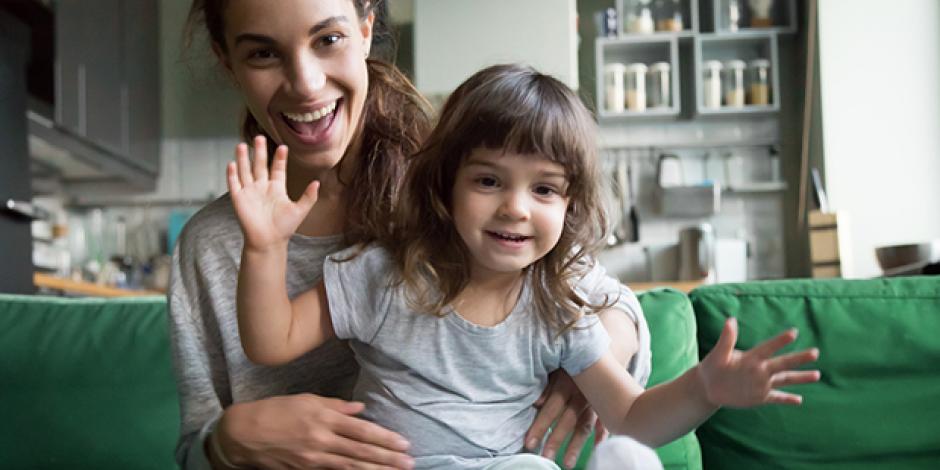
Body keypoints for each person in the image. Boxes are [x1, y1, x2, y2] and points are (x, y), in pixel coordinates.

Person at [227, 64, 821, 469]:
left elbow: (633, 417)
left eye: (544, 190)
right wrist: (264, 246)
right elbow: (270, 340)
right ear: (446, 187)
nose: (514, 206)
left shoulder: (556, 305)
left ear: (570, 204)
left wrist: (704, 388)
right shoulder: (386, 274)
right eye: (488, 180)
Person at [169, 1, 650, 469]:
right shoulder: (213, 246)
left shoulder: (451, 189)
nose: (306, 83)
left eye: (328, 39)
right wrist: (228, 440)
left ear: (365, 30)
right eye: (263, 53)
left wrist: (584, 356)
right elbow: (195, 447)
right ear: (227, 60)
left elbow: (608, 301)